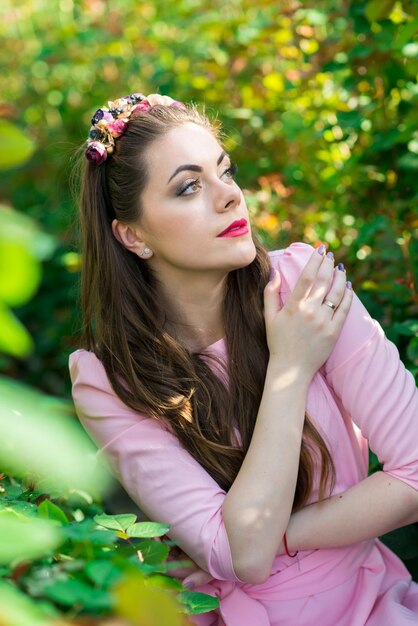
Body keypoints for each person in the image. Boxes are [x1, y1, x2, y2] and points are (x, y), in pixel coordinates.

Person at [69, 91, 418, 626]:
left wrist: (283, 533)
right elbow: (243, 558)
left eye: (225, 172)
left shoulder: (303, 287)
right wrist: (291, 367)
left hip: (364, 605)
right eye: (189, 187)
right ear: (132, 236)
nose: (230, 197)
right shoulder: (109, 379)